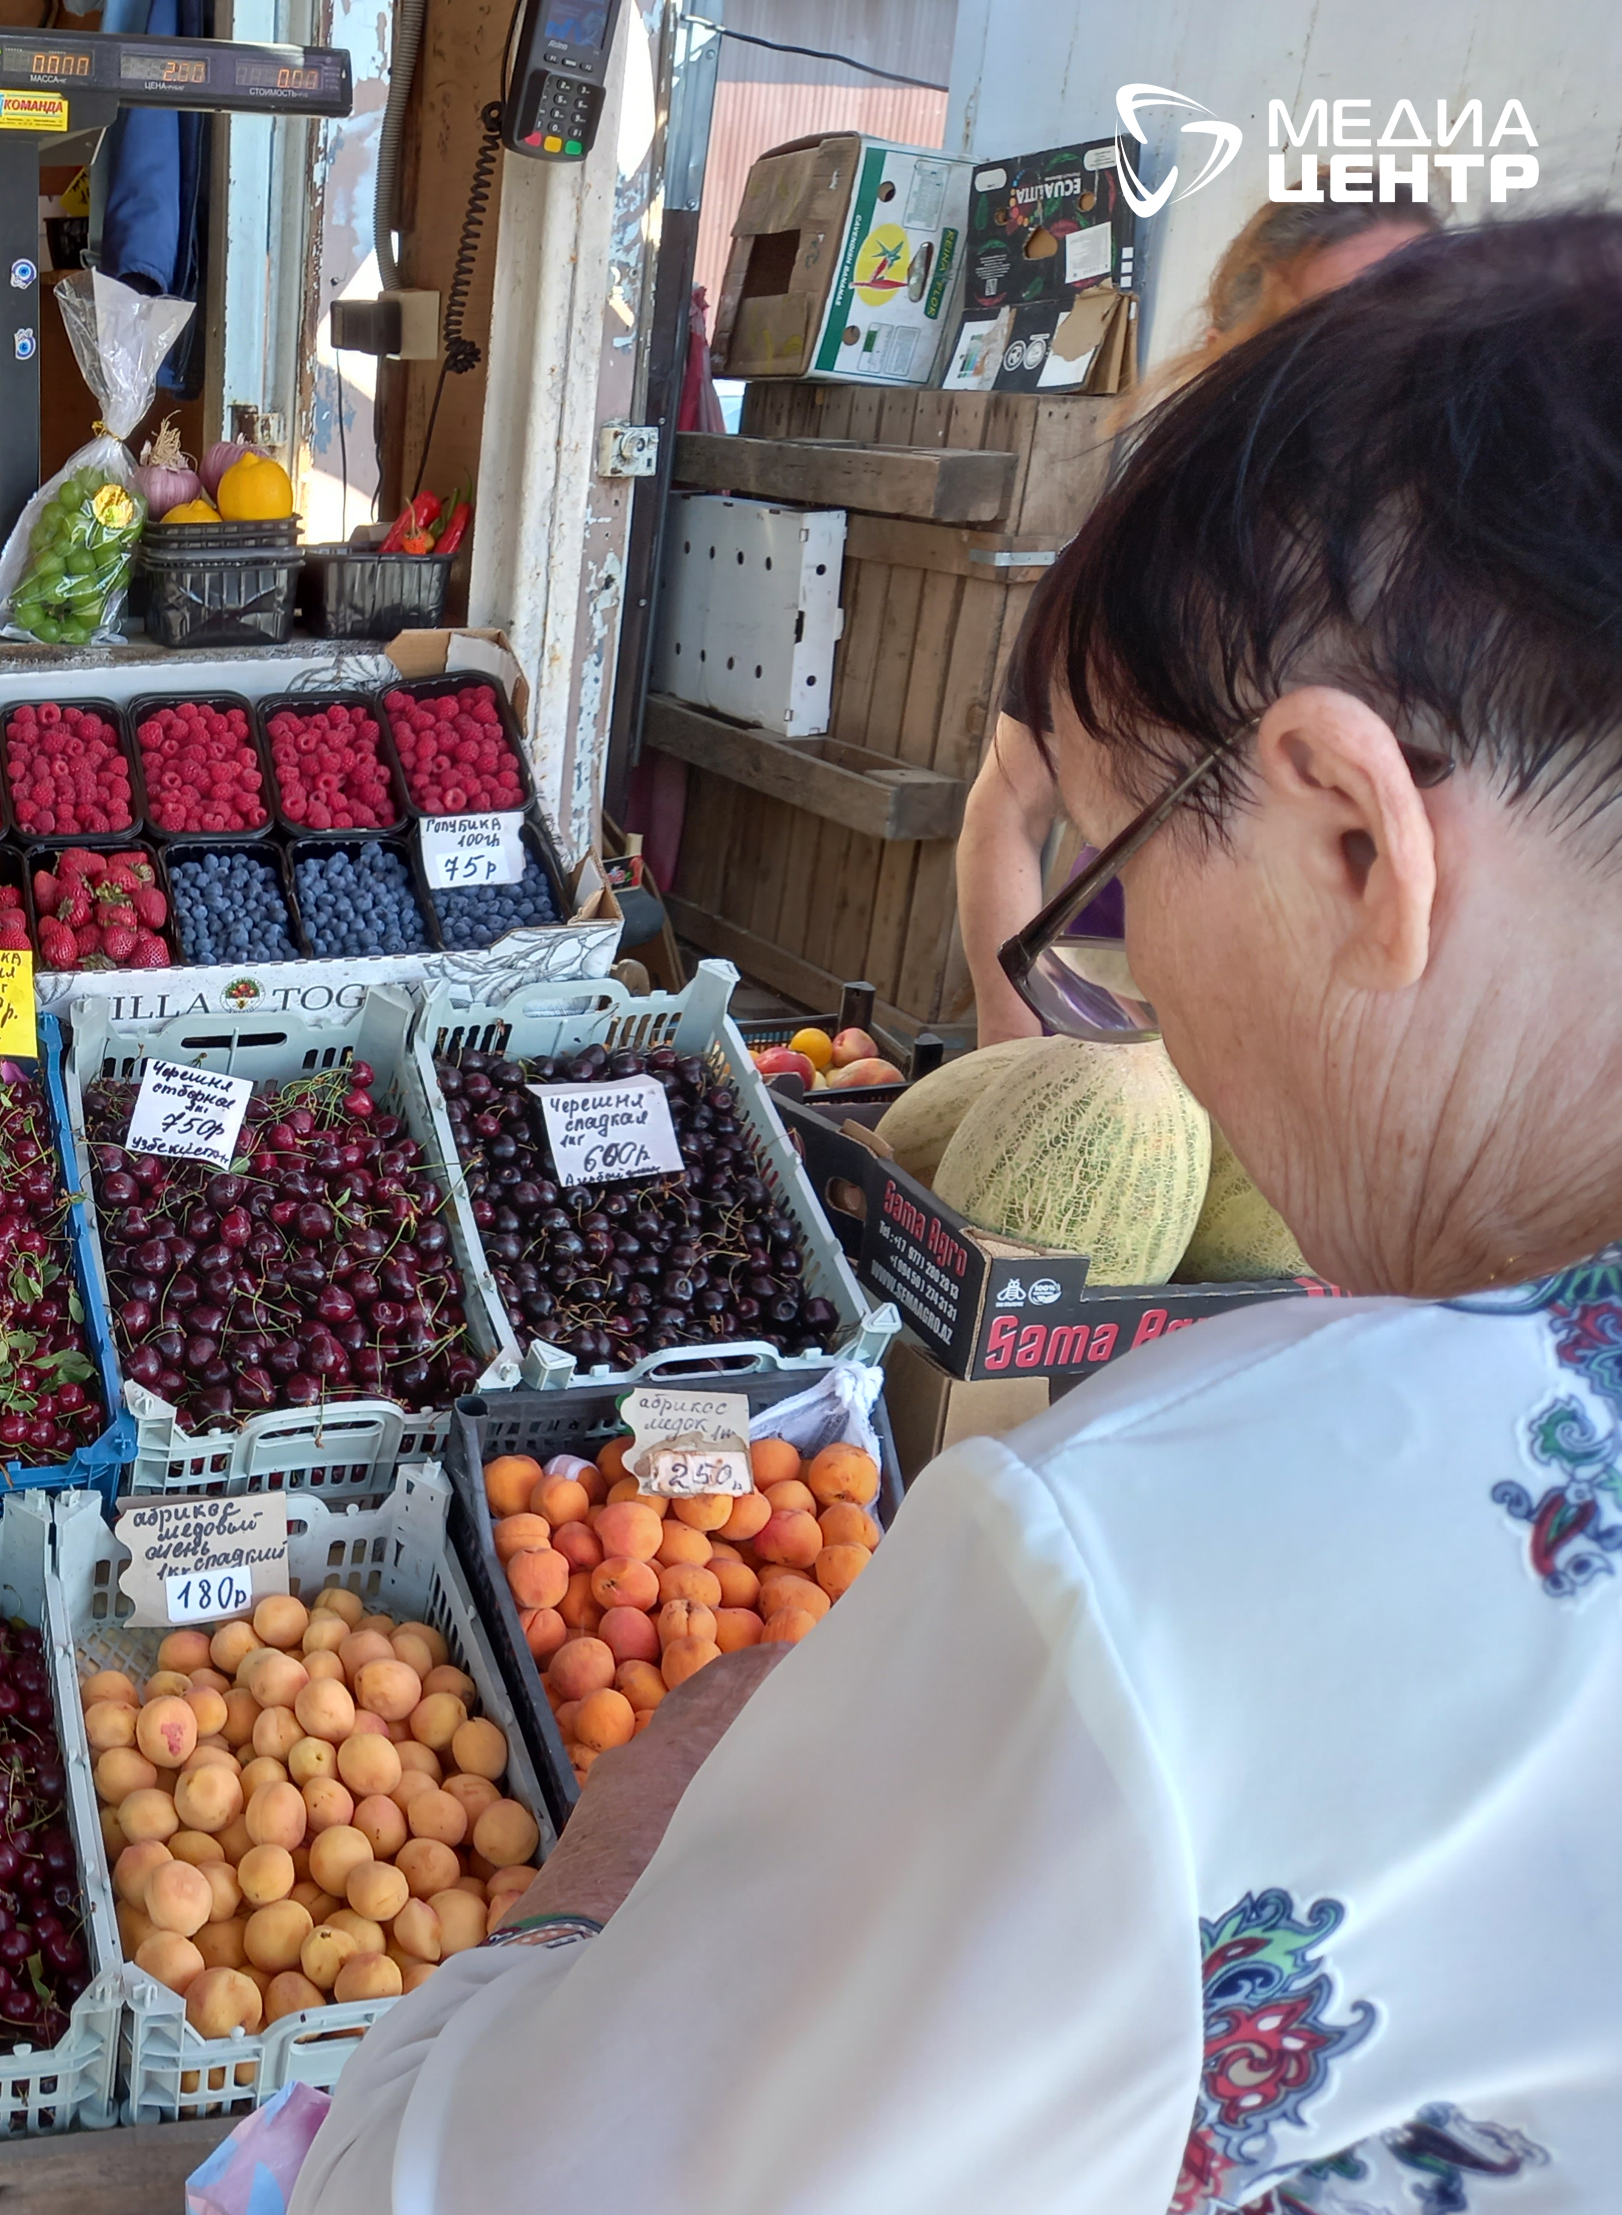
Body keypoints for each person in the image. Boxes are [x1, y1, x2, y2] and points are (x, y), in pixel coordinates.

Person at [294, 210, 1622, 2213]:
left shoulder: (1151, 1583)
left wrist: (609, 1864)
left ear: (1354, 836)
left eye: (1113, 877)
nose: (1124, 982)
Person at [959, 199, 1439, 1045]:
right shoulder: (1137, 569)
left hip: (1363, 1049)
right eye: (1326, 338)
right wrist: (1012, 1037)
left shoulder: (1482, 587)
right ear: (1227, 358)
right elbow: (1009, 804)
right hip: (1132, 1027)